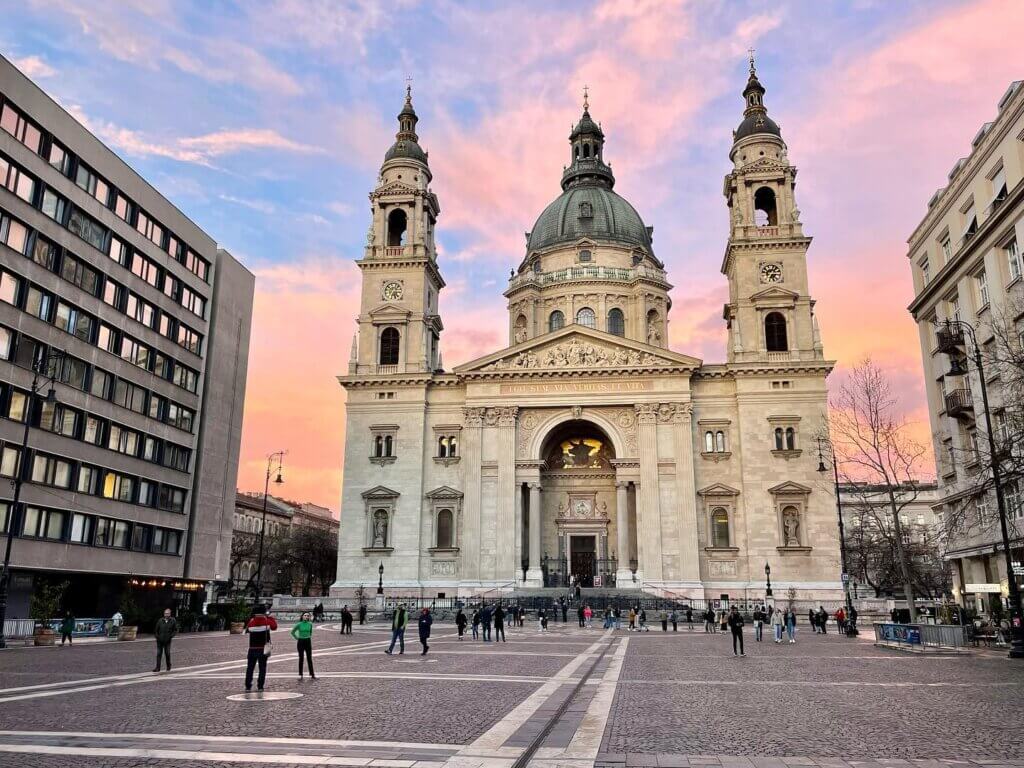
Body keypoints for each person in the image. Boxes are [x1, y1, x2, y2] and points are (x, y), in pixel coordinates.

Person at [244, 606, 277, 692]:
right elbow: (274, 627)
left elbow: (247, 630)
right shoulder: (267, 621)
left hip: (252, 648)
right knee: (262, 668)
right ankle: (260, 686)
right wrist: (269, 617)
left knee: (250, 668)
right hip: (263, 648)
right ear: (264, 612)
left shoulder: (251, 621)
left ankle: (248, 686)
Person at [291, 612, 316, 679]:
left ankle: (312, 674)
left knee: (309, 658)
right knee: (301, 658)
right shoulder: (299, 624)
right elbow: (292, 632)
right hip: (301, 642)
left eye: (308, 616)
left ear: (309, 617)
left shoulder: (310, 624)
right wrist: (297, 638)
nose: (306, 616)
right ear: (302, 616)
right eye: (305, 615)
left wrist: (308, 636)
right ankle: (300, 674)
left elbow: (310, 632)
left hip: (308, 641)